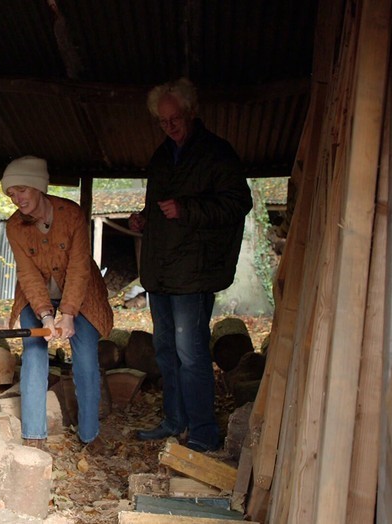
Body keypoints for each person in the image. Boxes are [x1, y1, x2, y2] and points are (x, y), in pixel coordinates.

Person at [130, 78, 253, 452]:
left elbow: (238, 203)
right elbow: (160, 209)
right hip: (161, 271)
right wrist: (145, 220)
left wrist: (188, 209)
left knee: (191, 354)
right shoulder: (161, 157)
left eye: (175, 119)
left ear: (190, 112)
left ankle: (203, 432)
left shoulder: (217, 153)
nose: (169, 126)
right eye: (162, 121)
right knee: (166, 352)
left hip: (194, 273)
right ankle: (174, 421)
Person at [2, 155, 113, 452]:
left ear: (38, 186)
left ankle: (90, 434)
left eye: (22, 190)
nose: (17, 199)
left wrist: (68, 313)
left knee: (86, 360)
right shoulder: (14, 226)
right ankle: (34, 437)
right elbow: (27, 274)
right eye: (11, 194)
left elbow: (79, 267)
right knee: (34, 354)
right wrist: (46, 316)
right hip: (35, 295)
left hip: (80, 294)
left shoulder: (71, 215)